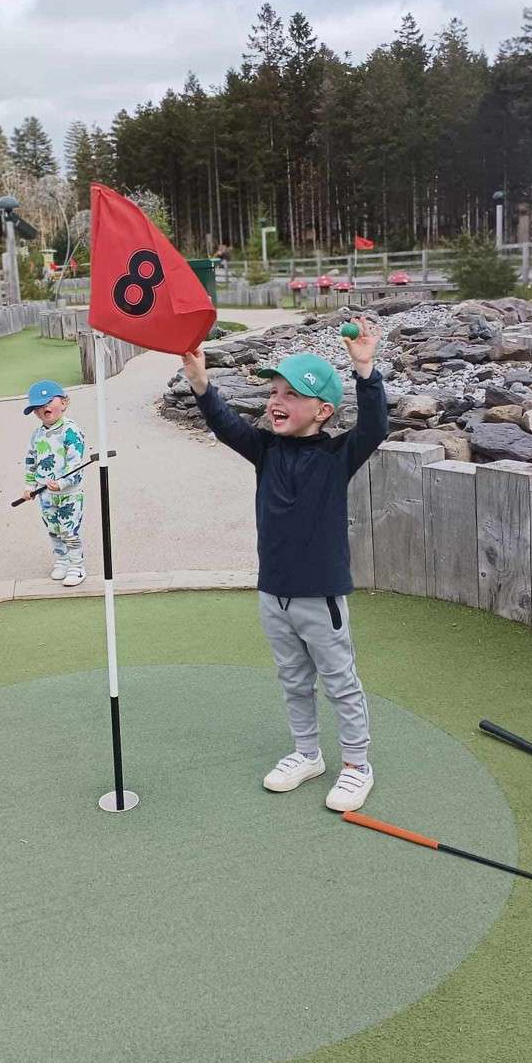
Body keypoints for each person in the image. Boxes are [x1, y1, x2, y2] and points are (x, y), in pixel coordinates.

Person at [180, 317, 388, 811]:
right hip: (273, 593)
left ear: (322, 410)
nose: (276, 402)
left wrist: (365, 369)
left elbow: (376, 426)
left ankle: (357, 764)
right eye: (273, 392)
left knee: (339, 681)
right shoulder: (266, 450)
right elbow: (225, 424)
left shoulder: (339, 454)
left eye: (290, 394)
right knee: (293, 678)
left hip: (321, 595)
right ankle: (306, 754)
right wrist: (201, 383)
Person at [21, 380, 87, 586]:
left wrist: (63, 483)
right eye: (37, 407)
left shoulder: (71, 431)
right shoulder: (37, 435)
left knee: (69, 529)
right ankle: (62, 560)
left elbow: (76, 463)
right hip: (45, 493)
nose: (43, 409)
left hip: (69, 493)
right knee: (53, 529)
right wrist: (29, 486)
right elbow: (31, 461)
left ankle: (77, 566)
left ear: (64, 403)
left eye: (48, 402)